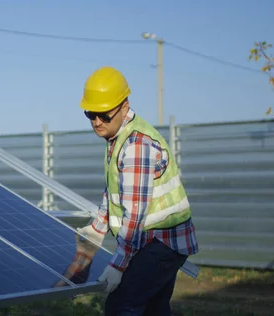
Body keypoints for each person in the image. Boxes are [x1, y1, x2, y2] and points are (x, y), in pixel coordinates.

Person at [75, 66, 199, 315]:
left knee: (122, 305)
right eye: (90, 114)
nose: (97, 121)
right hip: (159, 242)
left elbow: (133, 217)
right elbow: (114, 194)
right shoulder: (118, 137)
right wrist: (96, 231)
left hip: (162, 242)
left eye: (104, 115)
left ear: (124, 106)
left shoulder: (136, 146)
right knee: (153, 307)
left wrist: (118, 265)